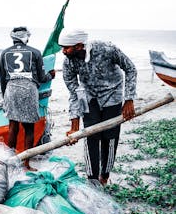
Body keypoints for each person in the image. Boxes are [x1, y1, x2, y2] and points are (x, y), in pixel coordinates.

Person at [58, 29, 137, 186]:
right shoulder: (68, 62)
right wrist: (74, 127)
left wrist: (129, 100)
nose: (63, 51)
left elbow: (130, 69)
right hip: (89, 98)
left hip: (113, 95)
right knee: (91, 137)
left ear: (79, 46)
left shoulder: (107, 49)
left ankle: (104, 176)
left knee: (110, 138)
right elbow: (75, 93)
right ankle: (92, 180)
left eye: (66, 47)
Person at [0, 26, 55, 169]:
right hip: (28, 89)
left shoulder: (5, 53)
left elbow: (3, 79)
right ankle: (26, 164)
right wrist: (51, 75)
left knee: (13, 126)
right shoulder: (35, 52)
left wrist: (6, 96)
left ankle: (10, 162)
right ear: (26, 38)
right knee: (29, 128)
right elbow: (42, 77)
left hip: (11, 89)